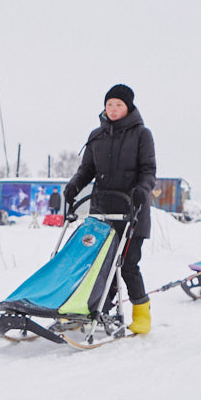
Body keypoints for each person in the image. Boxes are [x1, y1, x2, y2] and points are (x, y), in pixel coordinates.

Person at [63, 83, 157, 333]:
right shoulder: (97, 135)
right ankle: (96, 308)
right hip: (102, 211)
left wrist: (142, 190)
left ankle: (141, 313)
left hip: (132, 210)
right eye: (109, 104)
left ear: (128, 107)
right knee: (98, 263)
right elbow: (87, 170)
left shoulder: (142, 134)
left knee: (127, 265)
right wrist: (74, 186)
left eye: (119, 105)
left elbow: (149, 171)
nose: (113, 109)